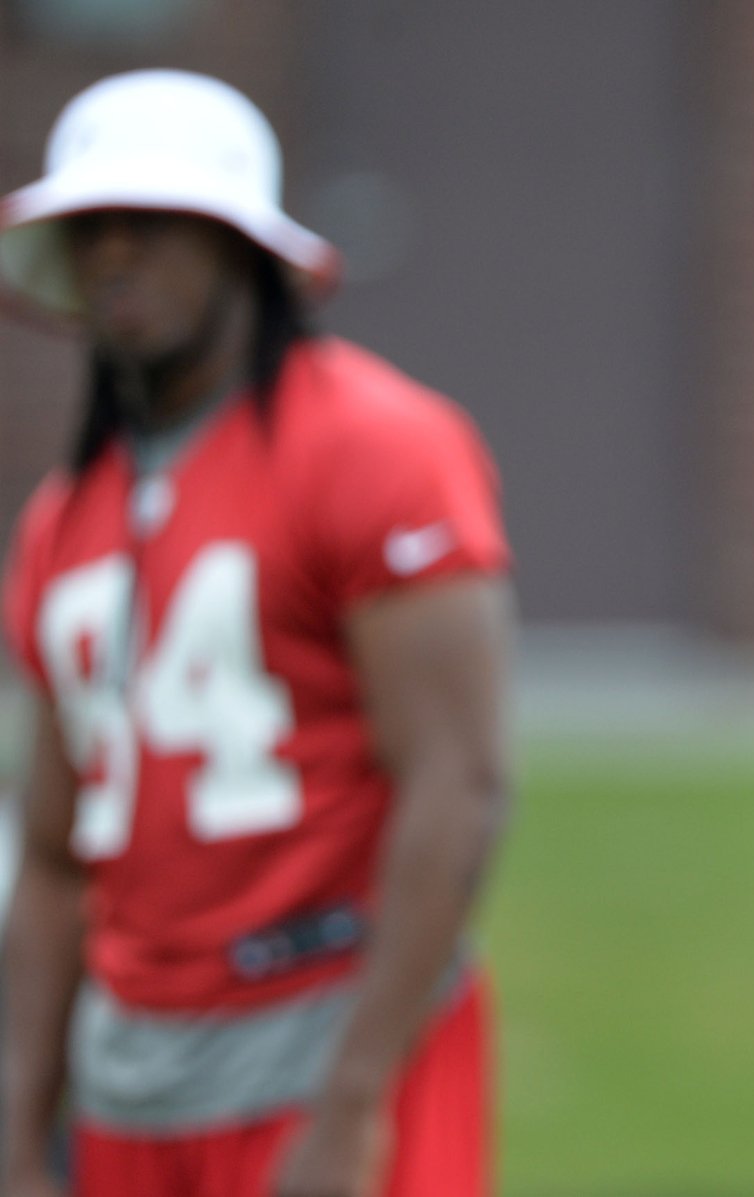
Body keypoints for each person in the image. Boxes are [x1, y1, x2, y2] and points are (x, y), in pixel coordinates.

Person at [0, 69, 511, 1197]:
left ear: (240, 245)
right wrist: (18, 1127)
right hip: (134, 1071)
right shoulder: (58, 522)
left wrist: (353, 1098)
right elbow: (47, 857)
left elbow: (457, 783)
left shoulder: (377, 446)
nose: (116, 252)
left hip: (327, 1034)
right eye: (92, 227)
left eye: (154, 221)